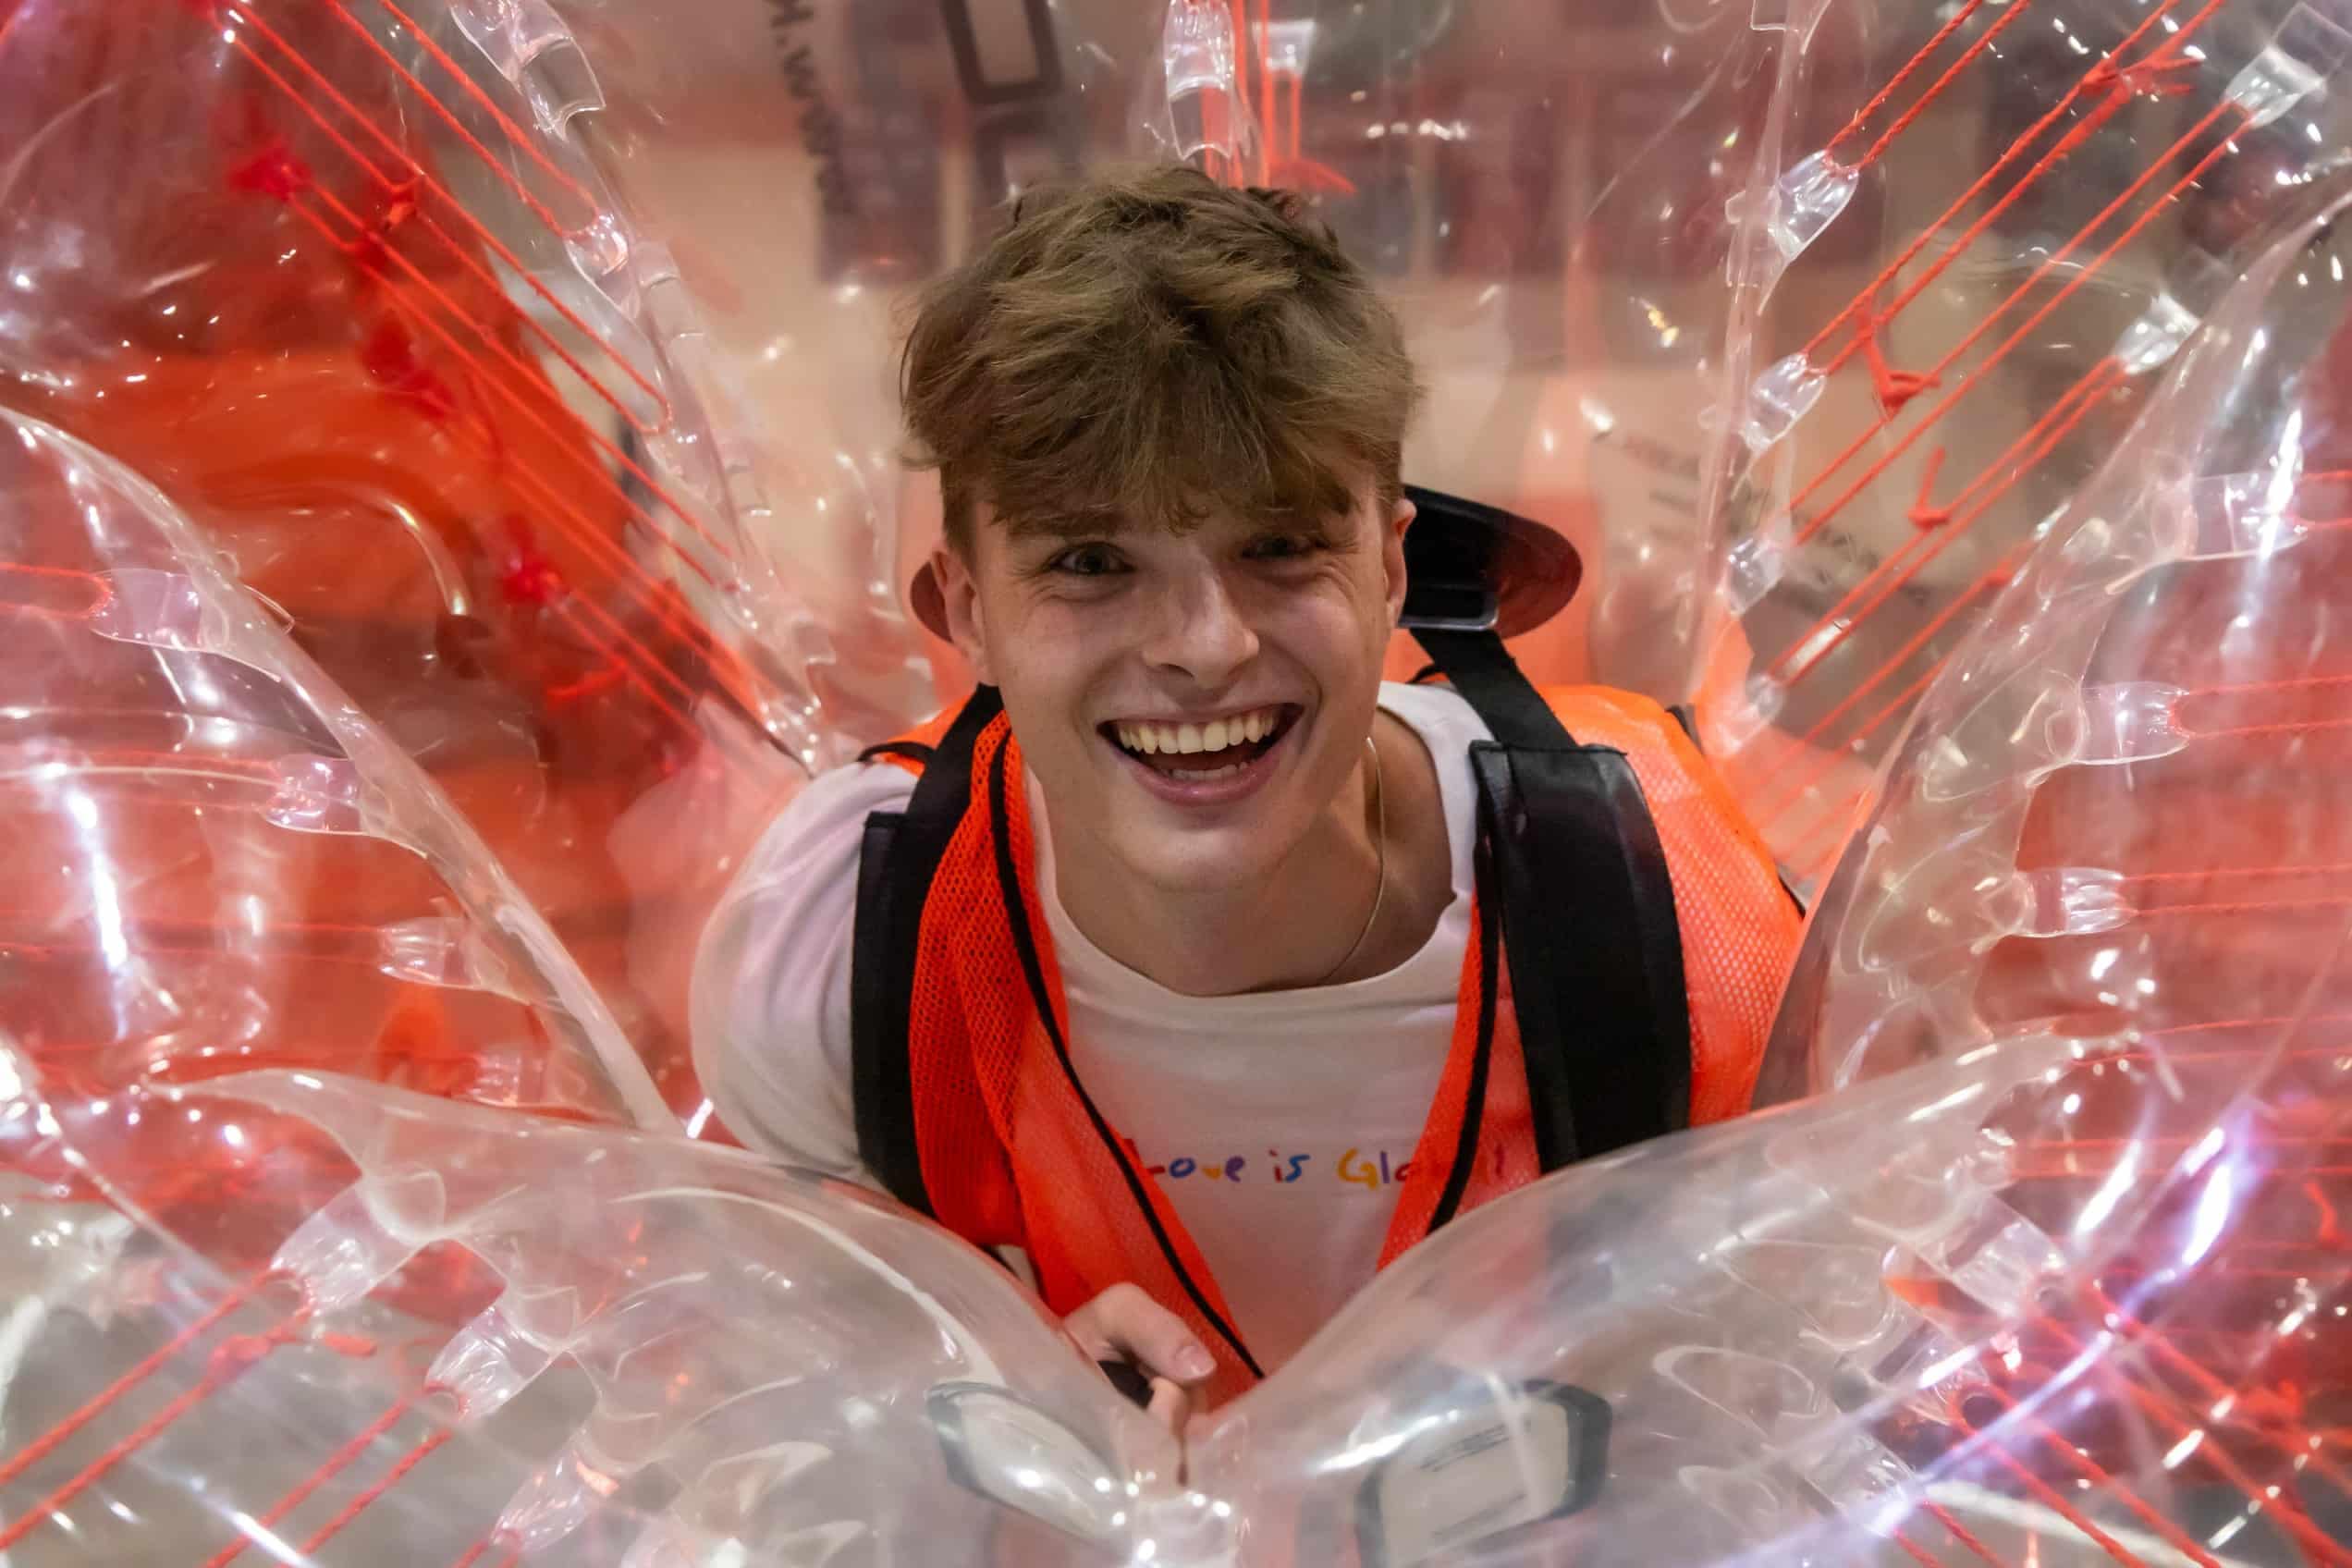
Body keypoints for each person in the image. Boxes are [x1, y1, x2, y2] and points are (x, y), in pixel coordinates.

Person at [692, 165, 1798, 1427]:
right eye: (1091, 562)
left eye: (1277, 546)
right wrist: (979, 1384)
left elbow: (1774, 1392)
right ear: (966, 612)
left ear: (1391, 562)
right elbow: (796, 1389)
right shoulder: (839, 948)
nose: (1202, 647)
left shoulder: (1677, 914)